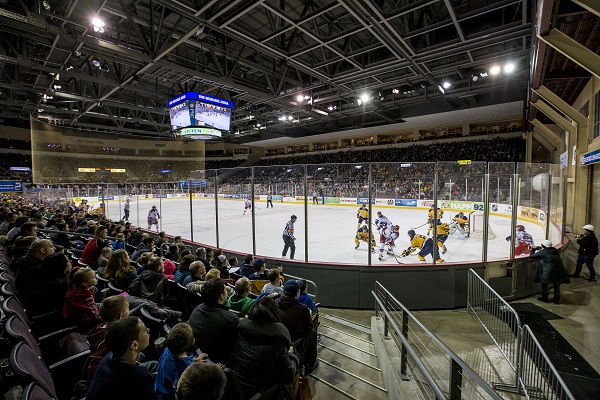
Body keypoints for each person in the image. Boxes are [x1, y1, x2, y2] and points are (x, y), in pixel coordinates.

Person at [234, 296, 299, 399]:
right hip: (265, 392)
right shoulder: (277, 342)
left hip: (240, 386)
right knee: (295, 353)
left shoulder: (241, 331)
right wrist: (291, 355)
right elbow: (288, 377)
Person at [86, 316, 157, 400]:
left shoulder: (108, 357)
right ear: (134, 345)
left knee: (149, 361)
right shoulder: (139, 378)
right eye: (145, 330)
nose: (148, 330)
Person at [188, 278, 239, 365]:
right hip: (220, 365)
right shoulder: (231, 319)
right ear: (221, 296)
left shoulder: (196, 309)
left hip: (202, 357)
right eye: (225, 289)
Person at [275, 280, 318, 375]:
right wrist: (309, 316)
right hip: (292, 341)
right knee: (313, 333)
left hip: (278, 338)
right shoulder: (302, 309)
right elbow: (308, 328)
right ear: (297, 294)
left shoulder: (276, 301)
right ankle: (310, 365)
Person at [155, 322, 207, 400]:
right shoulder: (189, 368)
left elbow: (179, 361)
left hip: (157, 389)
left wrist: (196, 360)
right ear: (193, 341)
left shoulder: (167, 350)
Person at [86, 295, 131, 378]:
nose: (129, 311)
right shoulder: (113, 338)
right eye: (128, 308)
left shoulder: (99, 328)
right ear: (120, 316)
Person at [63, 266, 102, 333]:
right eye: (93, 277)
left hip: (73, 318)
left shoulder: (74, 288)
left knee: (99, 303)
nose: (96, 278)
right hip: (83, 325)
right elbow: (95, 316)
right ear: (84, 283)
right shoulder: (86, 297)